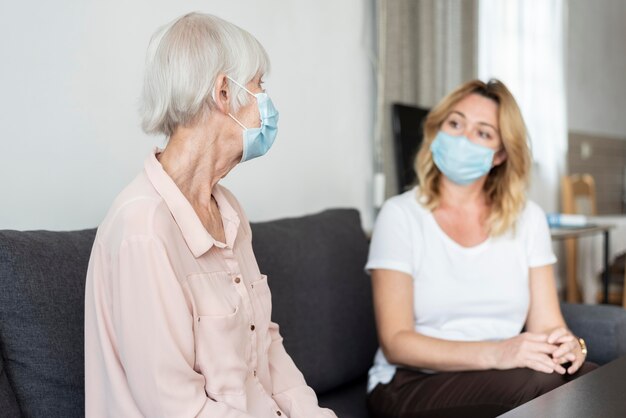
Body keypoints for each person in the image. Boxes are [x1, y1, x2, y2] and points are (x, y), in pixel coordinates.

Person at [84, 13, 336, 418]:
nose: (266, 104)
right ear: (224, 92)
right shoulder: (144, 229)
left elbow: (265, 346)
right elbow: (175, 405)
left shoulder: (229, 210)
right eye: (259, 87)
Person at [366, 79, 597, 418]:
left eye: (483, 133)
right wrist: (498, 353)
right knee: (549, 392)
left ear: (500, 155)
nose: (463, 138)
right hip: (409, 381)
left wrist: (566, 345)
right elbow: (397, 342)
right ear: (437, 131)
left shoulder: (528, 219)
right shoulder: (400, 215)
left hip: (500, 372)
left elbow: (547, 322)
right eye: (455, 123)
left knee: (594, 380)